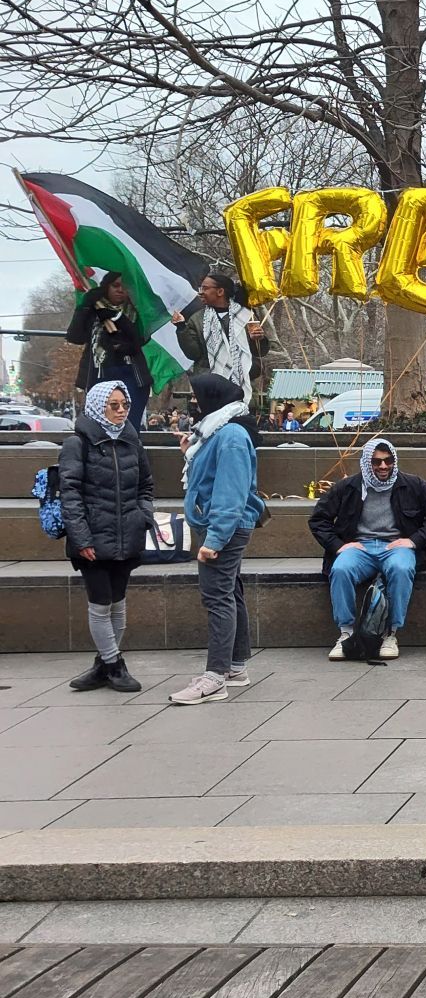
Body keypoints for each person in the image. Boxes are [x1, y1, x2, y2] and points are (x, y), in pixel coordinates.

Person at [169, 373, 266, 705]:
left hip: (224, 528)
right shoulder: (216, 432)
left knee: (218, 599)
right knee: (230, 593)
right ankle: (235, 667)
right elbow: (211, 478)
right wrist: (189, 452)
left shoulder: (231, 436)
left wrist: (214, 539)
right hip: (221, 526)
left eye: (196, 397)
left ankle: (215, 678)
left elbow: (230, 492)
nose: (193, 403)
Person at [309, 436, 426, 660]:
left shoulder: (414, 485)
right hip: (359, 548)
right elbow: (318, 519)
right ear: (366, 462)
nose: (383, 466)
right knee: (341, 569)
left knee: (401, 569)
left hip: (396, 546)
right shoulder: (348, 487)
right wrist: (339, 546)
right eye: (376, 461)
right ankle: (346, 634)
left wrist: (413, 541)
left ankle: (391, 633)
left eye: (388, 460)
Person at [58, 380, 155, 693]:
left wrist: (144, 516)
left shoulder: (131, 439)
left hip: (127, 534)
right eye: (113, 405)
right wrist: (82, 538)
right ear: (98, 406)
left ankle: (103, 666)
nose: (121, 410)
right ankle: (115, 665)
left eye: (124, 405)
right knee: (100, 603)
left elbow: (146, 486)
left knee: (118, 602)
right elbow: (69, 492)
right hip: (93, 538)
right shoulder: (78, 442)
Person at [171, 270, 278, 405]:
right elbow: (194, 354)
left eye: (205, 288)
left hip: (240, 386)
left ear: (220, 292)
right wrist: (181, 328)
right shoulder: (197, 319)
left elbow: (259, 352)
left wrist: (259, 339)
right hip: (210, 387)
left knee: (239, 424)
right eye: (201, 288)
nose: (201, 292)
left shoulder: (245, 316)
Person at [65, 272, 152, 427]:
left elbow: (140, 340)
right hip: (100, 374)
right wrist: (85, 306)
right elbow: (74, 337)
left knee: (128, 426)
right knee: (100, 427)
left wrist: (118, 319)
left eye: (125, 287)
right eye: (115, 285)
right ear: (106, 287)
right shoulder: (94, 310)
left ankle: (129, 451)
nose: (120, 290)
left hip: (131, 375)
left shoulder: (137, 311)